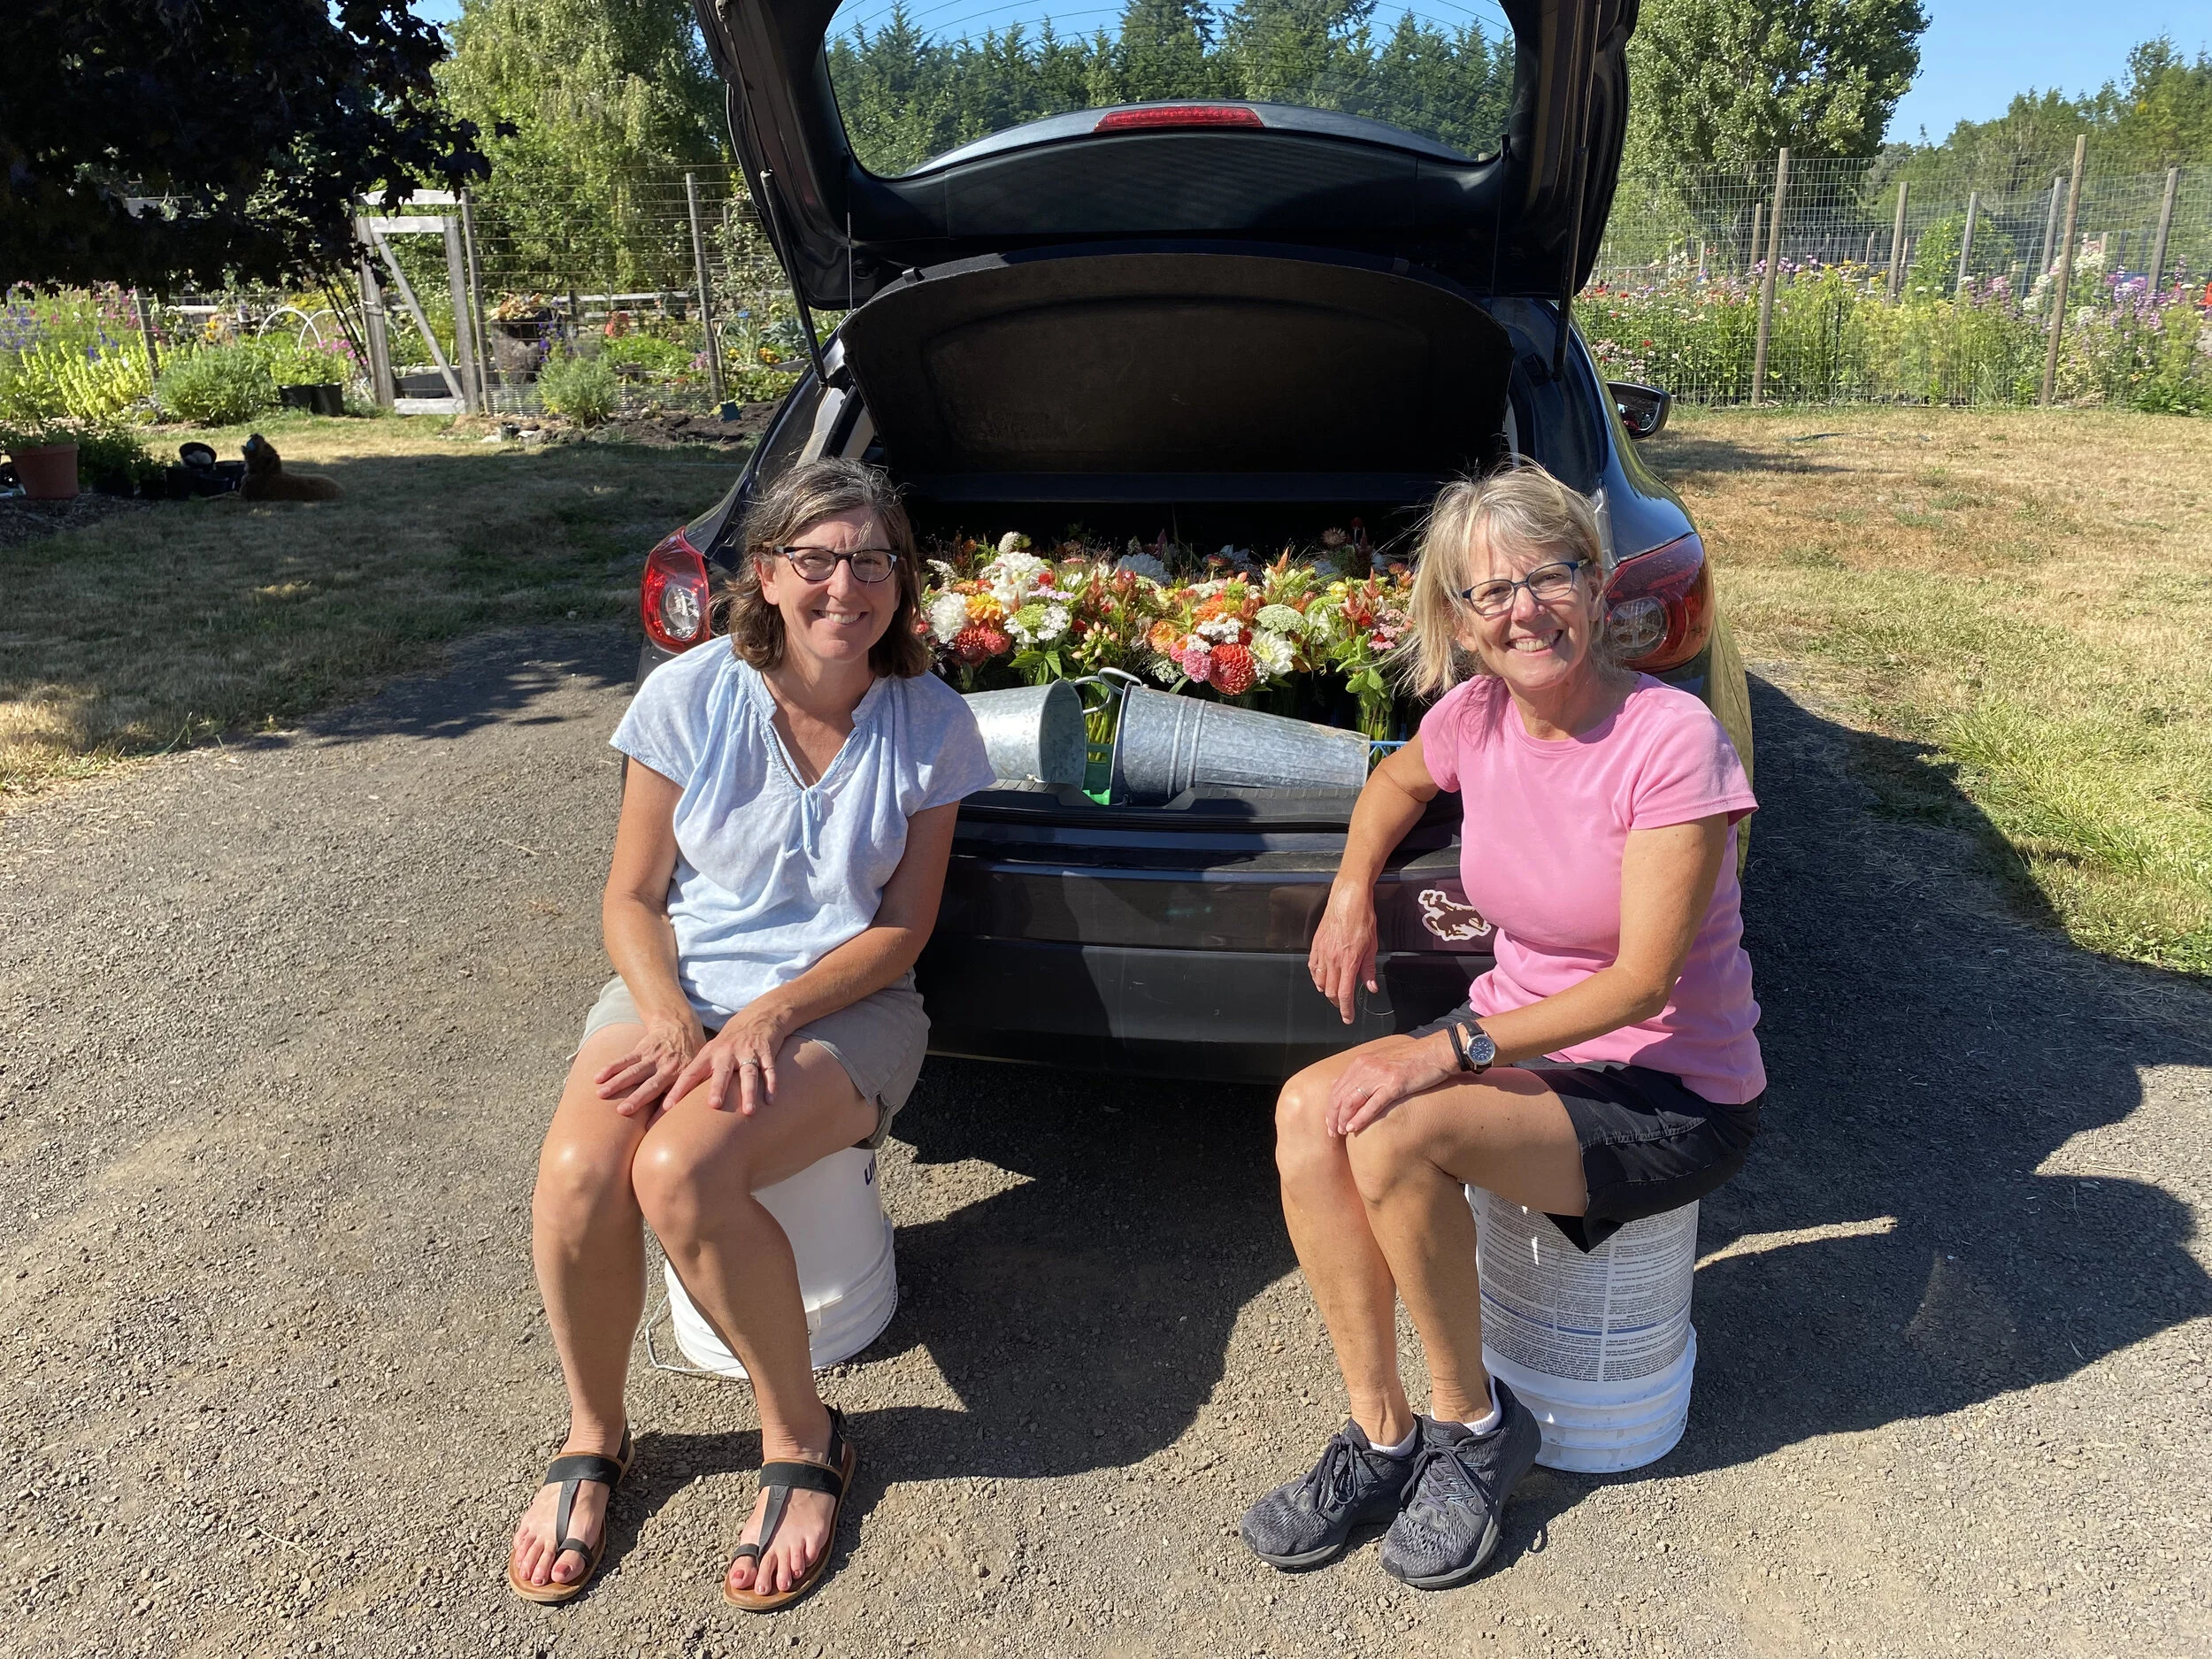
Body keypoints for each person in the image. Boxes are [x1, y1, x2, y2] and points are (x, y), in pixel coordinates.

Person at [1240, 463, 1763, 1590]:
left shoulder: (1670, 741)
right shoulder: (1474, 715)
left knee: (1391, 1132)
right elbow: (1392, 787)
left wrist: (1453, 1046)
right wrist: (1347, 889)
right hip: (1530, 1043)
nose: (1525, 608)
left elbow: (1638, 984)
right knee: (1304, 1110)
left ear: (1594, 583)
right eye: (1492, 592)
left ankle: (1472, 1429)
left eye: (1551, 574)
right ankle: (1382, 1437)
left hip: (1665, 1088)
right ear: (1458, 623)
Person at [505, 457, 996, 1611]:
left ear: (900, 580)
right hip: (678, 989)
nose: (845, 585)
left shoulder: (932, 723)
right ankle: (594, 1433)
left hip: (848, 1005)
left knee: (682, 1166)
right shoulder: (689, 696)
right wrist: (672, 1012)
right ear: (765, 574)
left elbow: (903, 928)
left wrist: (775, 1011)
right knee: (580, 1173)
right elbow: (631, 896)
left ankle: (802, 1437)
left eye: (872, 560)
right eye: (815, 560)